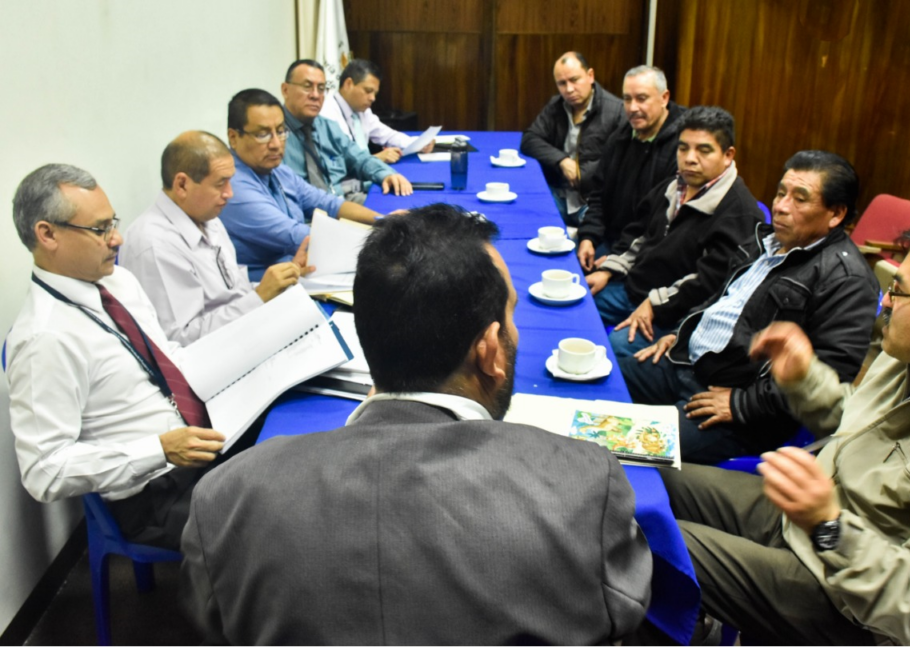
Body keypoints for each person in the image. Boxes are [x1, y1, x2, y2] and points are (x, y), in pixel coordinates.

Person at [179, 204, 652, 644]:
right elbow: (622, 616)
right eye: (510, 316)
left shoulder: (224, 500)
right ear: (490, 351)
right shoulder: (584, 484)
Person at [661, 215, 910, 645]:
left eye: (899, 290)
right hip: (810, 521)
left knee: (650, 540)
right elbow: (860, 427)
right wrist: (803, 378)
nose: (884, 302)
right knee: (647, 479)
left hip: (849, 603)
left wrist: (829, 524)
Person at [6, 164, 227, 550]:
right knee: (273, 519)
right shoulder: (44, 339)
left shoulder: (117, 282)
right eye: (100, 229)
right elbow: (44, 471)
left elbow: (165, 356)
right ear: (47, 234)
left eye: (113, 223)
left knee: (297, 462)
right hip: (156, 491)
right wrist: (158, 448)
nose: (117, 238)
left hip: (203, 441)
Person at [620, 151, 878, 464]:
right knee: (596, 379)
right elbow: (721, 299)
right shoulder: (765, 239)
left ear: (836, 214)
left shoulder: (848, 281)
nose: (781, 206)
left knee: (626, 441)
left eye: (800, 198)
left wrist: (742, 404)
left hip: (740, 409)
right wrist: (680, 333)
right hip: (688, 364)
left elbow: (826, 379)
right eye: (781, 193)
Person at [586, 106, 763, 343]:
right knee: (574, 306)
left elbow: (708, 283)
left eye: (704, 150)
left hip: (673, 314)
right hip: (633, 289)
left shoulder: (739, 213)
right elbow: (639, 233)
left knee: (617, 350)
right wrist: (610, 269)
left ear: (728, 155)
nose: (690, 158)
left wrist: (655, 303)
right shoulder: (673, 186)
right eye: (683, 148)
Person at [120, 131, 313, 345]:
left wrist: (283, 279)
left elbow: (233, 295)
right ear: (182, 185)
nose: (229, 193)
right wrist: (259, 297)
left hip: (244, 336)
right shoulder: (154, 244)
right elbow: (179, 341)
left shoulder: (207, 217)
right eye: (221, 183)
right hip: (214, 361)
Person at [217, 88, 390, 282]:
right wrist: (382, 238)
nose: (276, 144)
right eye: (263, 134)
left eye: (281, 131)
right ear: (233, 138)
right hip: (260, 292)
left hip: (299, 273)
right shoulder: (233, 186)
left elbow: (330, 204)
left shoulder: (278, 170)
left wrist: (382, 221)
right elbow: (296, 236)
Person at [576, 65, 685, 271]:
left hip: (644, 258)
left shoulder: (681, 150)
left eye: (641, 98)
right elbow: (598, 195)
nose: (632, 107)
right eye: (627, 99)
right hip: (608, 241)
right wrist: (588, 237)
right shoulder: (619, 138)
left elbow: (655, 224)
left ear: (664, 98)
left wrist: (614, 262)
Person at [281, 59, 412, 204]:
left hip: (342, 200)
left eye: (321, 88)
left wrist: (386, 174)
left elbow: (360, 158)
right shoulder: (274, 135)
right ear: (285, 90)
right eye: (307, 86)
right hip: (304, 214)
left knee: (405, 205)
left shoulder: (327, 126)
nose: (315, 95)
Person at [520, 51, 626, 226]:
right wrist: (562, 160)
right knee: (525, 219)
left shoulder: (616, 112)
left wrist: (581, 174)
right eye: (562, 83)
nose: (569, 89)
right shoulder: (556, 106)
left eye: (574, 80)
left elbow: (617, 161)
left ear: (590, 76)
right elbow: (530, 139)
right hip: (559, 195)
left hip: (591, 203)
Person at [320, 58, 435, 163]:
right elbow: (334, 162)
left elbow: (387, 135)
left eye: (375, 93)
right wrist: (376, 158)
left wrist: (418, 143)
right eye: (368, 90)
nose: (373, 98)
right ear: (348, 84)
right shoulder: (327, 114)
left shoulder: (362, 110)